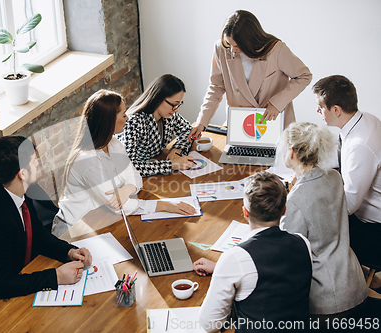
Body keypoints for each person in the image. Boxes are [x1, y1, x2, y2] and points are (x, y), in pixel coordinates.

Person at [0, 136, 92, 329]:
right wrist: (56, 277)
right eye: (33, 161)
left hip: (12, 280)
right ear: (22, 173)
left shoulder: (17, 190)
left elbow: (37, 234)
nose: (38, 163)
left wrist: (69, 251)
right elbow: (1, 285)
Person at [52, 90, 196, 237]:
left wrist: (125, 190)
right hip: (74, 230)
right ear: (109, 120)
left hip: (102, 219)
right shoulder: (86, 161)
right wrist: (164, 205)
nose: (127, 118)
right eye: (123, 115)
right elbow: (118, 206)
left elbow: (134, 174)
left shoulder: (114, 144)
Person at [194, 171, 312, 332]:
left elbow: (210, 324)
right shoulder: (303, 243)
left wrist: (226, 268)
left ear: (245, 213)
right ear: (284, 210)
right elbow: (275, 272)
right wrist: (221, 268)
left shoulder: (235, 258)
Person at [278, 122, 368, 318]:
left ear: (291, 152)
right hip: (355, 284)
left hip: (327, 301)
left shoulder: (295, 201)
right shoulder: (334, 178)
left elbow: (287, 253)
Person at [189, 10, 312, 141]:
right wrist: (202, 122)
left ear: (250, 41)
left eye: (237, 46)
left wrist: (277, 103)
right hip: (241, 125)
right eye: (229, 44)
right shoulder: (221, 49)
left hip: (272, 122)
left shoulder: (276, 49)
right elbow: (216, 87)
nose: (232, 50)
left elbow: (304, 76)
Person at [313, 75, 381, 287]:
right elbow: (343, 159)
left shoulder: (360, 145)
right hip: (370, 215)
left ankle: (339, 287)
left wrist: (315, 193)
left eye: (320, 107)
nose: (318, 111)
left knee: (313, 223)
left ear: (336, 110)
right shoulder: (364, 120)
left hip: (374, 230)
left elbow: (349, 205)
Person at [117, 74, 196, 177]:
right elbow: (130, 167)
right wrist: (171, 164)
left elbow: (188, 131)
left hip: (155, 170)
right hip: (136, 181)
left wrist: (177, 149)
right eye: (173, 104)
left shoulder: (169, 115)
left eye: (179, 104)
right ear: (158, 98)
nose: (176, 110)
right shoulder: (134, 122)